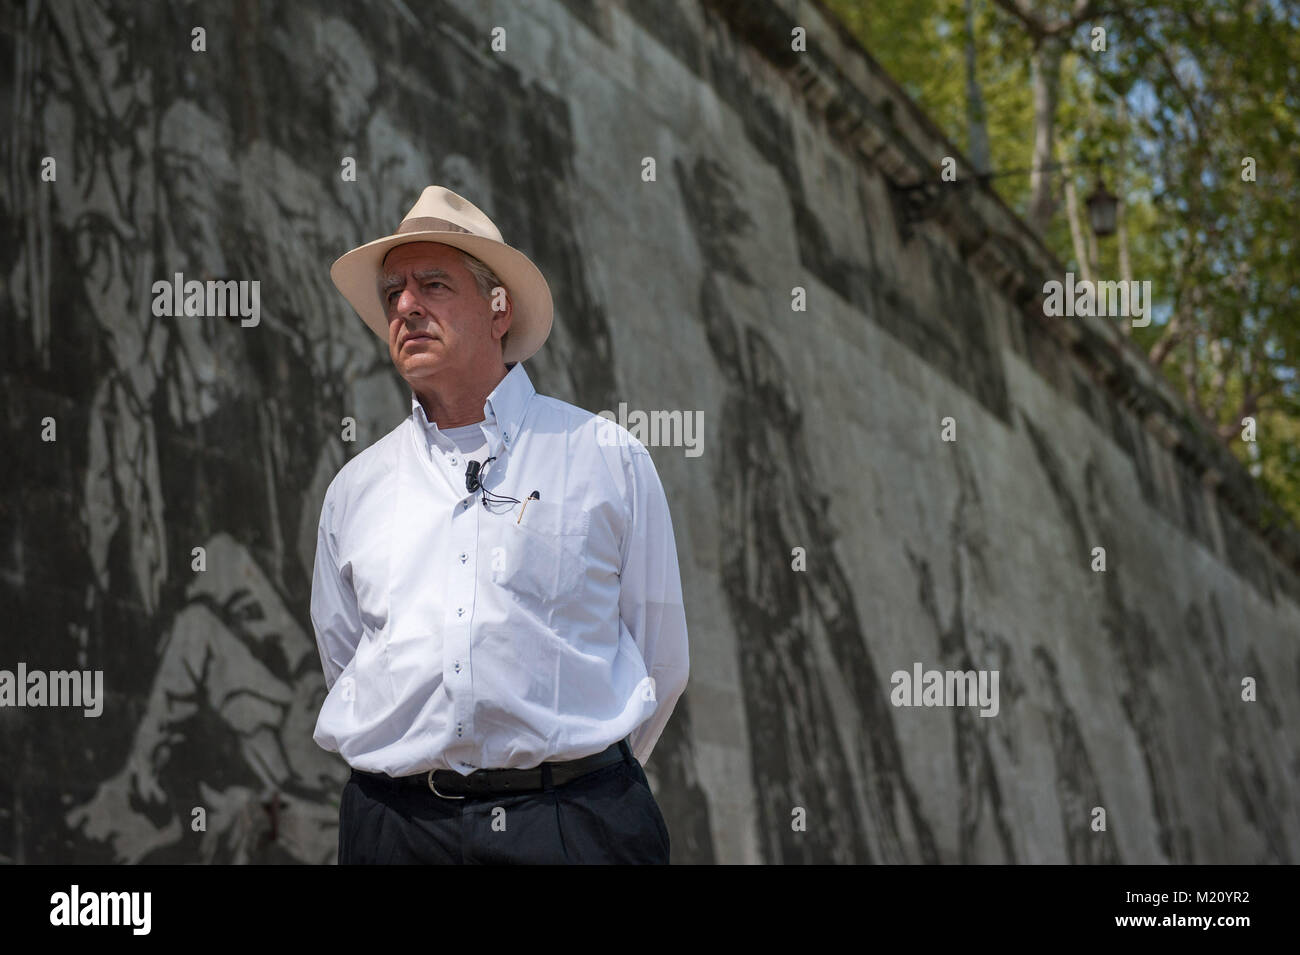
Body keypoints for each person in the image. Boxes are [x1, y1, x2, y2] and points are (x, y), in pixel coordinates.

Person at [312, 185, 689, 864]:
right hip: (394, 831)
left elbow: (660, 657)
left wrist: (569, 779)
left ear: (498, 308)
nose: (405, 305)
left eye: (433, 284)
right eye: (393, 290)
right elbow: (346, 661)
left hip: (571, 825)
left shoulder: (606, 458)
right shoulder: (353, 492)